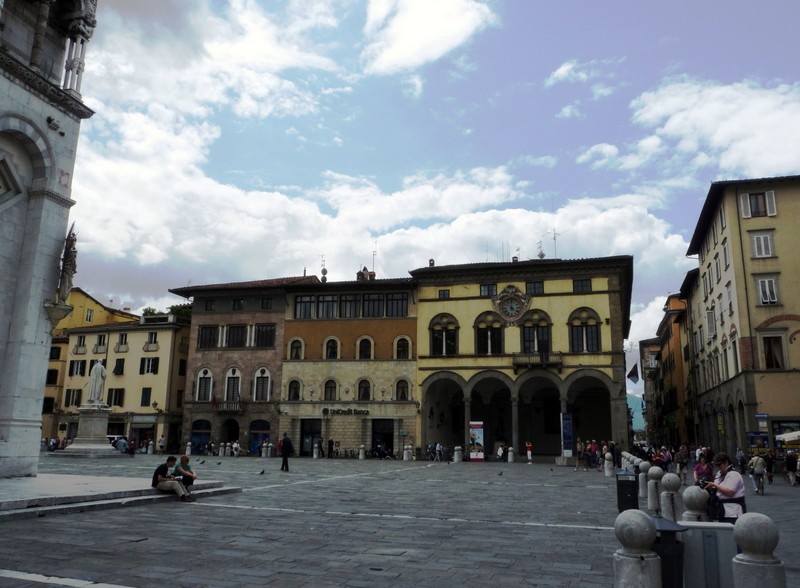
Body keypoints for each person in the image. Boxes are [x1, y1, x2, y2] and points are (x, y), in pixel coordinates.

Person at [704, 452, 746, 523]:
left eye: (719, 465)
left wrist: (715, 485)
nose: (718, 467)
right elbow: (716, 487)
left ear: (726, 462)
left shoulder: (734, 474)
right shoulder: (719, 474)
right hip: (722, 510)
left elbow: (730, 492)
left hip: (734, 511)